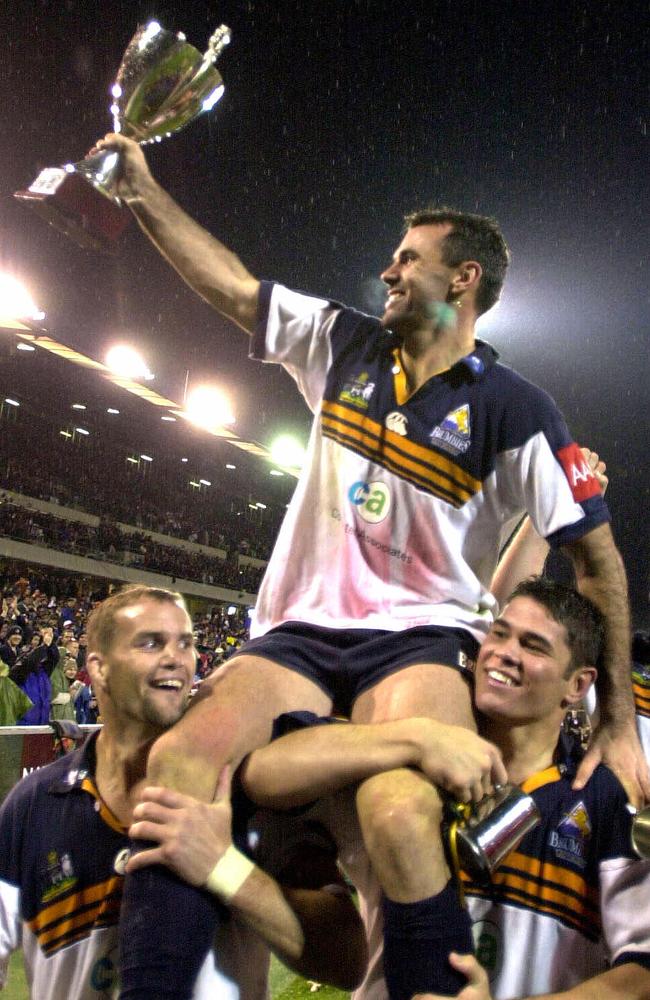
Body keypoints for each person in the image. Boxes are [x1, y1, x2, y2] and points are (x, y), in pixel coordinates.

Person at [92, 132, 646, 999]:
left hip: (421, 640)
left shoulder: (520, 410)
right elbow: (233, 287)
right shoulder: (341, 344)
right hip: (297, 636)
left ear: (462, 281)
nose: (387, 273)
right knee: (178, 767)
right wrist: (141, 191)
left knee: (401, 809)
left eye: (407, 259)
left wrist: (616, 723)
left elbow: (600, 563)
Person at [205, 578, 648, 999]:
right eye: (499, 634)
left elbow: (640, 975)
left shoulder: (605, 799)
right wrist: (417, 738)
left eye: (532, 647)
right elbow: (261, 773)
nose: (503, 654)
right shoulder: (406, 754)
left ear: (578, 685)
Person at [0, 586, 367, 999]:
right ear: (98, 668)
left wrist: (225, 868)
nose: (177, 658)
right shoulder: (30, 806)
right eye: (152, 643)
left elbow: (347, 960)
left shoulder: (242, 786)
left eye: (186, 643)